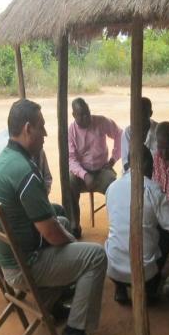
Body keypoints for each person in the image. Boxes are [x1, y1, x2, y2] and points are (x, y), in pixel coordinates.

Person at [0, 99, 108, 335]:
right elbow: (52, 234)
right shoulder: (25, 171)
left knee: (62, 223)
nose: (46, 134)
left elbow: (47, 224)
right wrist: (71, 242)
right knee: (95, 256)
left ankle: (55, 303)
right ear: (28, 128)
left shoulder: (5, 159)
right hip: (24, 266)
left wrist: (64, 234)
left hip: (10, 258)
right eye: (41, 127)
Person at [105, 146, 169, 305]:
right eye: (152, 165)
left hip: (113, 269)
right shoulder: (152, 189)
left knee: (120, 230)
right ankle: (150, 288)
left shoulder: (111, 188)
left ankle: (120, 288)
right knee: (165, 232)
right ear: (147, 164)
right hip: (143, 273)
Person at [68, 97, 122, 237]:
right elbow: (71, 159)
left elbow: (119, 134)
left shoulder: (101, 121)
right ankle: (74, 225)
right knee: (69, 183)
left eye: (88, 112)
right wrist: (84, 175)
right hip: (81, 173)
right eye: (82, 115)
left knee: (115, 187)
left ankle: (116, 227)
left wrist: (113, 160)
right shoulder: (71, 131)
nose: (87, 117)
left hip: (102, 170)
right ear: (74, 115)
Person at [121, 97, 158, 171]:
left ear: (150, 113)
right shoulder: (128, 132)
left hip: (156, 176)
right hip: (132, 175)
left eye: (143, 112)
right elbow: (125, 164)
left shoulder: (159, 131)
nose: (139, 115)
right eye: (137, 112)